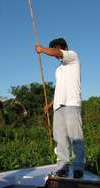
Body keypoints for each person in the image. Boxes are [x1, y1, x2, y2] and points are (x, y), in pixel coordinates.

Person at [35, 38, 85, 178]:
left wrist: (42, 49)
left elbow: (57, 52)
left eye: (57, 49)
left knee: (76, 138)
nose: (56, 54)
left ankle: (78, 168)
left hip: (72, 104)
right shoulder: (58, 70)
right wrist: (50, 104)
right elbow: (59, 89)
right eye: (55, 49)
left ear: (63, 48)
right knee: (60, 138)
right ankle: (63, 167)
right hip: (58, 107)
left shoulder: (73, 57)